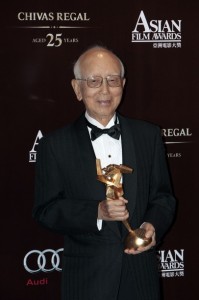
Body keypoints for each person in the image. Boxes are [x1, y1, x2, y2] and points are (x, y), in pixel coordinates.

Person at [33, 45, 176, 300]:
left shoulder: (149, 136)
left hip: (141, 278)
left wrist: (152, 226)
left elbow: (163, 197)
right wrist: (97, 212)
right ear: (77, 89)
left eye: (112, 80)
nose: (105, 90)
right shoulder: (54, 145)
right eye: (94, 81)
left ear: (123, 84)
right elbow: (46, 210)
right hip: (87, 281)